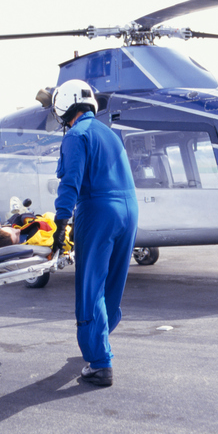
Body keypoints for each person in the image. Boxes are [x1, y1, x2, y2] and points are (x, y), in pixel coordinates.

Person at [51, 79, 139, 387]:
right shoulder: (110, 134)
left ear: (64, 106)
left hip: (99, 210)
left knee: (91, 286)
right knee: (113, 281)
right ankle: (100, 337)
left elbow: (70, 182)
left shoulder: (77, 135)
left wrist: (62, 224)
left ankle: (100, 362)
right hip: (129, 209)